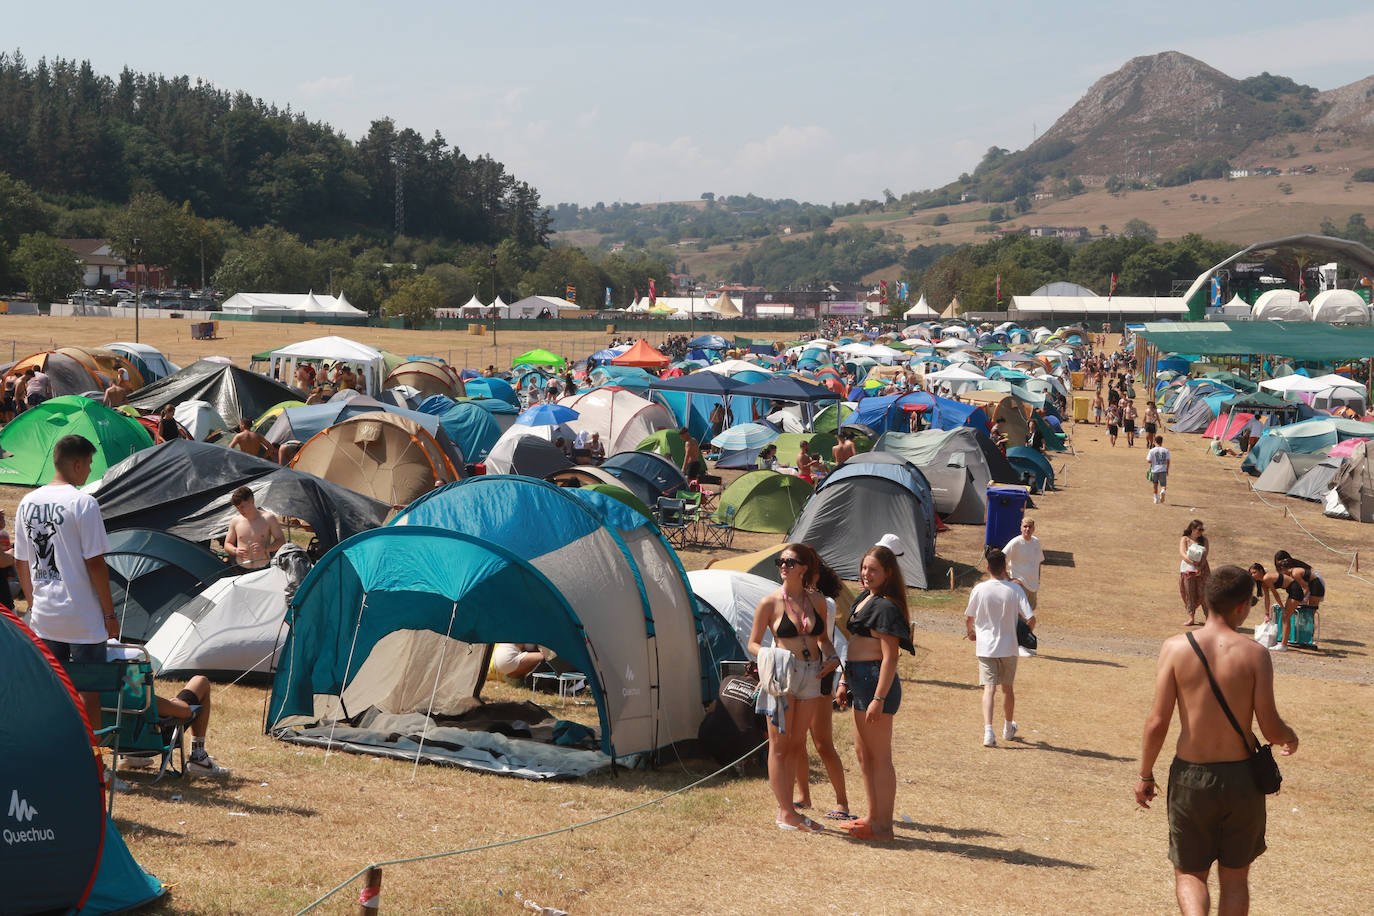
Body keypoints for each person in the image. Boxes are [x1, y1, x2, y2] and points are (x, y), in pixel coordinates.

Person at [1135, 565, 1299, 916]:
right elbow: (1270, 728)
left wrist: (1145, 774)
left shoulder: (1175, 648)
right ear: (1242, 606)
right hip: (1241, 779)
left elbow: (1157, 721)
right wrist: (1290, 736)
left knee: (1191, 874)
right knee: (1236, 879)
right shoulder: (1254, 653)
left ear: (1206, 601)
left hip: (1191, 777)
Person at [13, 435, 118, 746]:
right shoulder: (83, 503)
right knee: (90, 692)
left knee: (52, 691)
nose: (88, 471)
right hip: (82, 616)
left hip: (45, 615)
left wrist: (33, 602)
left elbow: (21, 562)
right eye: (87, 465)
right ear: (75, 464)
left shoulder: (27, 502)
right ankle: (96, 766)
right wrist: (109, 613)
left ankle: (55, 754)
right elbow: (96, 563)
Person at [747, 543, 840, 833]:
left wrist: (832, 656)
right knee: (779, 746)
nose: (783, 566)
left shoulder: (818, 601)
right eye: (781, 561)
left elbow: (822, 637)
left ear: (804, 567)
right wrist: (769, 656)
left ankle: (788, 810)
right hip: (783, 673)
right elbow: (753, 643)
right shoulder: (769, 602)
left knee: (797, 746)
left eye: (790, 561)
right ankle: (787, 812)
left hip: (811, 675)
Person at [836, 545, 914, 841]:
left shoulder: (886, 606)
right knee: (863, 754)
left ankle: (885, 826)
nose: (866, 574)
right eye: (864, 568)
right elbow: (854, 642)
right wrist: (844, 681)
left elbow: (890, 657)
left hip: (874, 683)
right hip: (857, 680)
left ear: (887, 573)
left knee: (880, 757)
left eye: (873, 570)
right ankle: (872, 816)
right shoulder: (864, 598)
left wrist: (878, 699)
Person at [789, 556, 851, 822]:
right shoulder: (785, 600)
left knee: (823, 743)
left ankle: (842, 802)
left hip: (819, 676)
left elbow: (826, 640)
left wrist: (841, 679)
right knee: (796, 741)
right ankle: (803, 796)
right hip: (794, 675)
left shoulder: (824, 603)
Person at [964, 548, 1035, 747]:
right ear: (1004, 568)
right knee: (1007, 689)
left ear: (987, 567)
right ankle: (1007, 727)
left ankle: (988, 731)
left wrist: (971, 632)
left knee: (989, 689)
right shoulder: (1015, 590)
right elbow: (1031, 618)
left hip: (985, 646)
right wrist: (1022, 636)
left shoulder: (979, 589)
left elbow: (969, 616)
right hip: (1009, 646)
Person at [225, 486, 285, 570]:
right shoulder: (235, 521)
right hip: (240, 568)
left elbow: (281, 541)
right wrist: (235, 550)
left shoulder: (269, 518)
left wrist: (266, 549)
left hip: (263, 568)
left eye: (242, 506)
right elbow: (227, 544)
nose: (240, 510)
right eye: (237, 508)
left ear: (252, 501)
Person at [1002, 517, 1045, 615]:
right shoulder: (1015, 542)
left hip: (1033, 586)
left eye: (1030, 527)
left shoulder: (1036, 542)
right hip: (1020, 585)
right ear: (1021, 528)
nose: (1027, 529)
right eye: (1025, 526)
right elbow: (1001, 559)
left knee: (1029, 615)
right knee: (1018, 614)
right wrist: (1008, 579)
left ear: (1034, 529)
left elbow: (1038, 562)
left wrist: (1038, 580)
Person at [1179, 520, 1208, 627]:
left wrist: (1199, 567)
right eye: (1199, 529)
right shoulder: (1185, 539)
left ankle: (1208, 618)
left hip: (1202, 569)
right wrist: (1192, 563)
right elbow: (1183, 553)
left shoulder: (1204, 540)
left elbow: (1205, 556)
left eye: (1202, 529)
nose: (1201, 532)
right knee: (1189, 593)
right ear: (1192, 529)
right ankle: (1191, 617)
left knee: (1204, 593)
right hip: (1187, 569)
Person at [1148, 435, 1171, 504]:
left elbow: (1149, 460)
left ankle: (1155, 499)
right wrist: (1167, 469)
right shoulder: (1166, 450)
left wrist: (1153, 462)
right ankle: (1163, 491)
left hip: (1154, 470)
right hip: (1163, 470)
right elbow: (1168, 461)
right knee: (1163, 485)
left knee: (1155, 484)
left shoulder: (1152, 450)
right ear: (1162, 442)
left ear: (1155, 441)